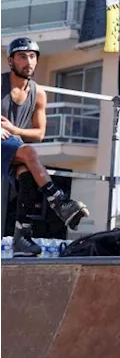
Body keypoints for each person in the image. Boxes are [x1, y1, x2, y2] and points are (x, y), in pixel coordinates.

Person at [2, 38, 89, 256]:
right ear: (10, 61)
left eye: (32, 56)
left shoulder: (38, 93)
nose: (28, 62)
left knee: (28, 178)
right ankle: (61, 203)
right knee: (29, 153)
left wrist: (15, 129)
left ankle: (22, 239)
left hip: (12, 147)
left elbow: (39, 133)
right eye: (22, 56)